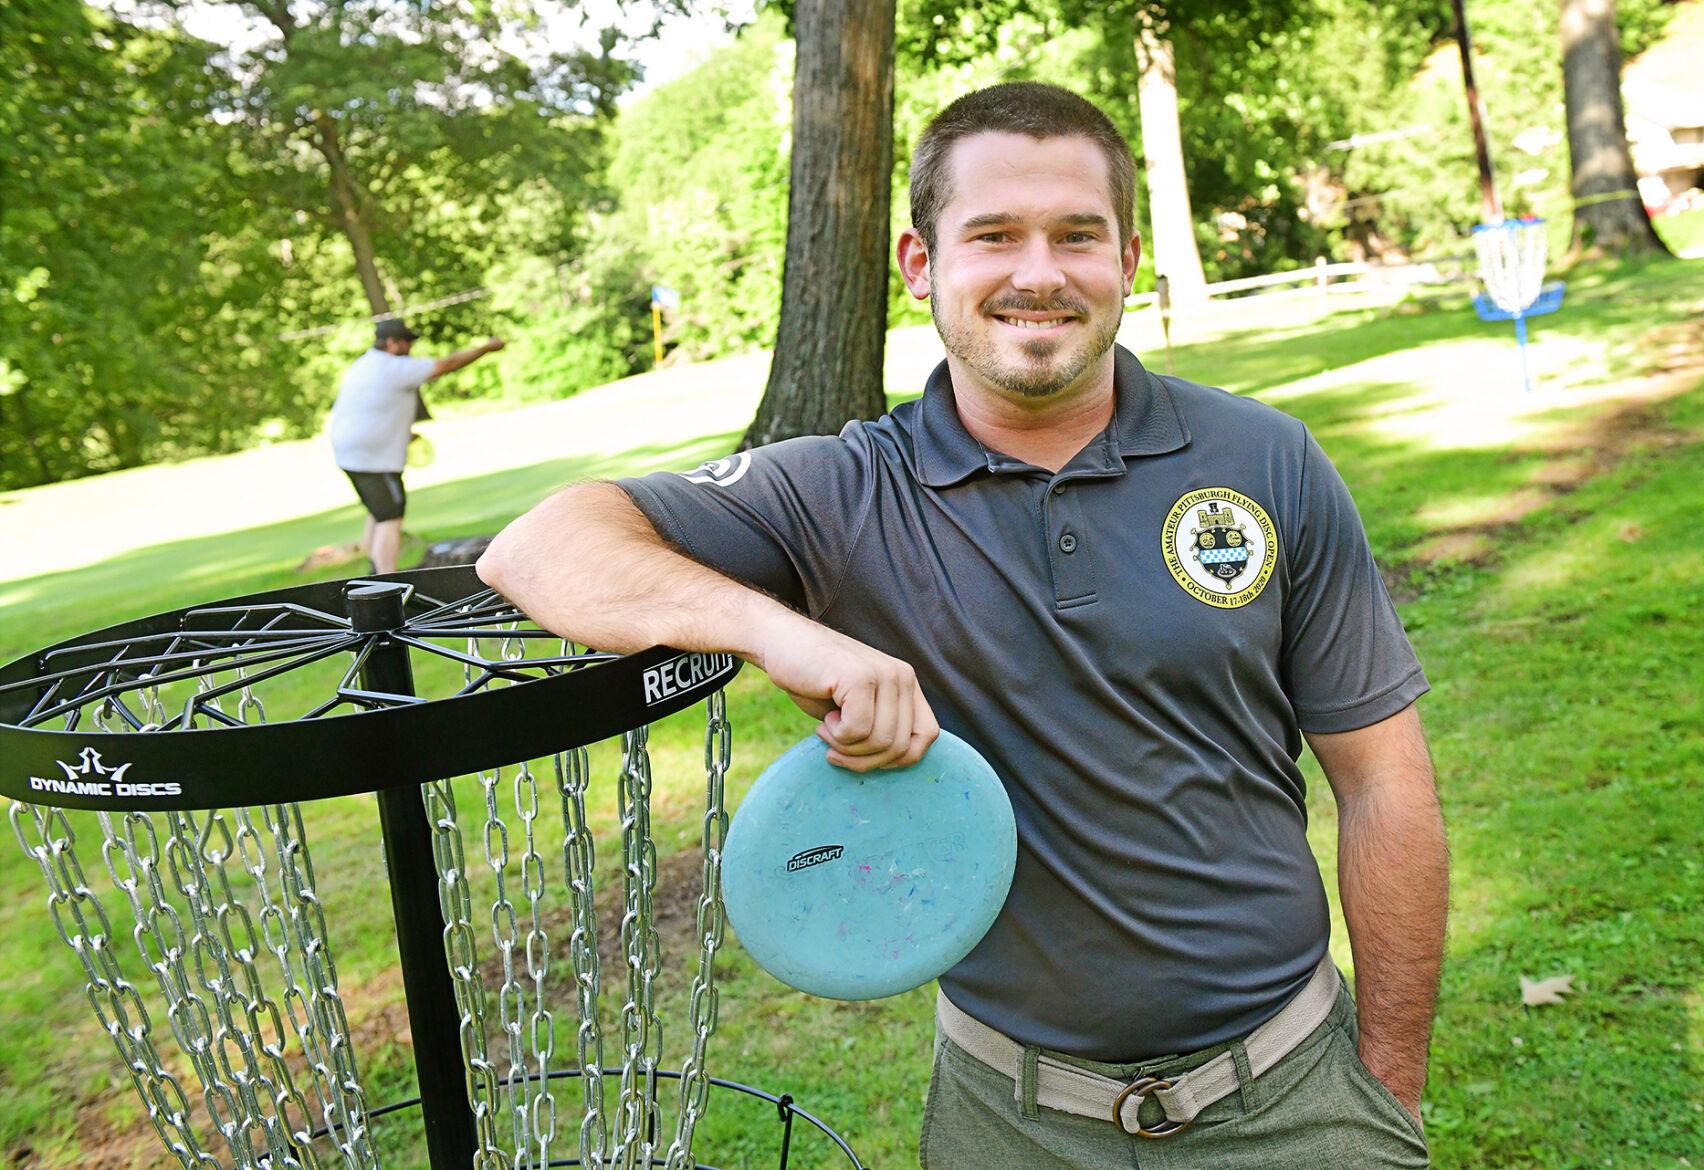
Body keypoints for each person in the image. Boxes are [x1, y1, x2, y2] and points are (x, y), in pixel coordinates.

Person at [479, 82, 1447, 1169]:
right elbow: (540, 547)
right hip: (1009, 1122)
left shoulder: (1265, 460)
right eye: (993, 236)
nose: (1039, 272)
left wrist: (1387, 1089)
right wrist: (775, 631)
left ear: (1127, 259)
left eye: (1077, 235)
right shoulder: (840, 492)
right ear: (919, 264)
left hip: (1293, 1094)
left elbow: (1383, 784)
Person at [329, 318, 506, 573]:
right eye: (406, 342)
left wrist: (401, 433)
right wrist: (485, 349)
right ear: (391, 343)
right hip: (373, 457)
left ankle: (374, 566)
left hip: (350, 452)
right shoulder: (393, 367)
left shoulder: (364, 365)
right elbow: (446, 365)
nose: (409, 348)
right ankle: (384, 579)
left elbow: (370, 407)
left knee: (379, 511)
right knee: (391, 516)